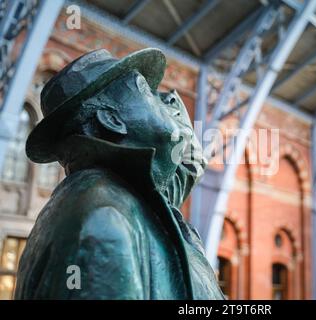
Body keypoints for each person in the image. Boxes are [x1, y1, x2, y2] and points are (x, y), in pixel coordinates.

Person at [15, 48, 224, 300]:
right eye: (146, 91)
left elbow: (188, 165)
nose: (161, 98)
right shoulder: (102, 215)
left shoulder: (131, 196)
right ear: (112, 119)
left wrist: (175, 120)